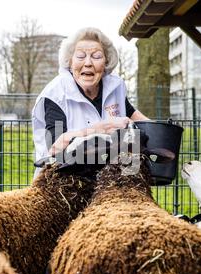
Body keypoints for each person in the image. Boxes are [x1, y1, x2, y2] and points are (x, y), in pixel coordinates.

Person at [31, 27, 149, 177]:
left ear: (106, 61)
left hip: (106, 179)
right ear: (70, 61)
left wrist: (161, 130)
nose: (88, 63)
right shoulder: (56, 94)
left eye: (97, 56)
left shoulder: (115, 87)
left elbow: (132, 114)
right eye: (80, 56)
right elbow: (56, 148)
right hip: (63, 182)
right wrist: (102, 128)